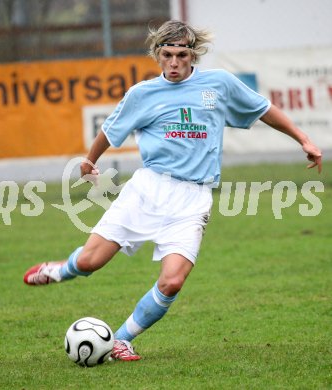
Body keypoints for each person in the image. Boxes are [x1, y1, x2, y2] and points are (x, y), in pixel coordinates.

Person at [23, 20, 322, 361]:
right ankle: (59, 271)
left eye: (182, 54)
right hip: (147, 190)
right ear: (158, 55)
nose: (175, 62)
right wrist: (90, 161)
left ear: (193, 55)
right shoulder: (143, 94)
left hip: (193, 198)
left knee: (172, 282)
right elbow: (110, 130)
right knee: (90, 262)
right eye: (167, 54)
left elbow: (264, 110)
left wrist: (304, 139)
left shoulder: (218, 84)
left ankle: (120, 340)